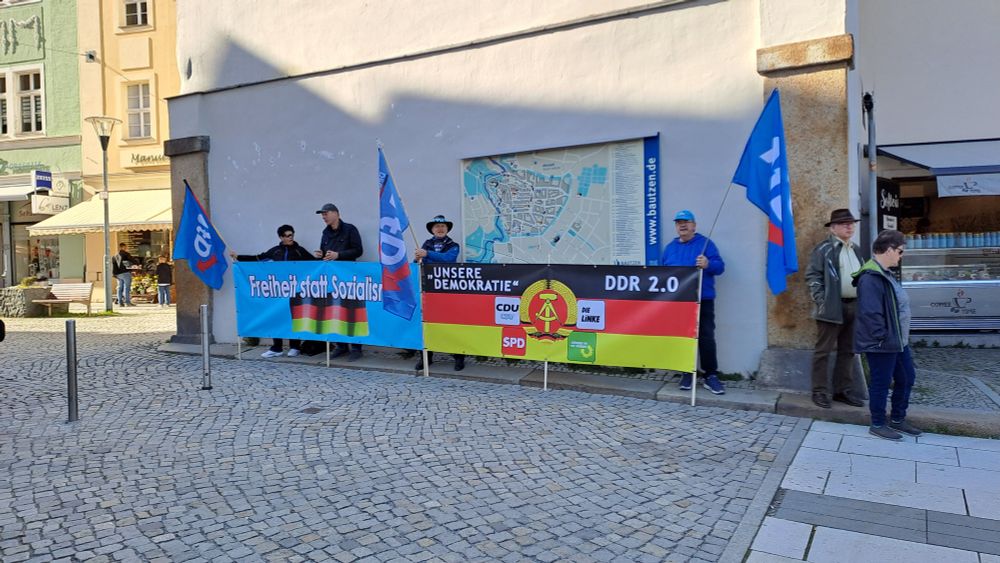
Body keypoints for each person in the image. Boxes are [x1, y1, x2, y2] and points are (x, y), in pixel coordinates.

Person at [853, 229, 919, 441]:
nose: (901, 255)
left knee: (907, 377)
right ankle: (878, 423)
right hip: (884, 342)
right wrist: (881, 339)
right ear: (889, 250)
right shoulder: (871, 277)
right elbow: (870, 313)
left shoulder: (885, 274)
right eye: (900, 251)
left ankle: (898, 419)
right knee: (881, 382)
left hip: (898, 340)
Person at [805, 209, 865, 409]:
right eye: (844, 223)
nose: (849, 226)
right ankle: (819, 391)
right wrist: (821, 301)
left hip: (854, 306)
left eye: (851, 223)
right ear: (832, 228)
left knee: (848, 351)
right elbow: (813, 276)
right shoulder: (823, 249)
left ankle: (842, 390)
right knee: (823, 351)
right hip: (831, 307)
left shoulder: (856, 249)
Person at [661, 210, 726, 394]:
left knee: (706, 338)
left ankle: (710, 375)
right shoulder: (669, 248)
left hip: (702, 299)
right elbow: (663, 274)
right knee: (683, 337)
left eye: (686, 222)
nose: (683, 225)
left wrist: (708, 264)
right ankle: (687, 372)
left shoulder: (706, 244)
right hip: (679, 302)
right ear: (676, 226)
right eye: (679, 222)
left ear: (694, 225)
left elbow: (720, 267)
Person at [230, 224, 316, 358]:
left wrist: (321, 257)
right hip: (278, 292)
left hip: (295, 291)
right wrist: (239, 257)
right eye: (287, 236)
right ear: (281, 237)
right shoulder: (275, 251)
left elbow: (314, 264)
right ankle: (277, 347)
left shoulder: (300, 251)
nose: (290, 238)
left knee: (293, 318)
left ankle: (295, 346)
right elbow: (258, 259)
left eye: (292, 235)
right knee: (277, 317)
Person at [314, 203, 365, 361]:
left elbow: (358, 251)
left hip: (348, 277)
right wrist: (321, 254)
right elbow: (325, 251)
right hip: (332, 278)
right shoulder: (325, 233)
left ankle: (356, 347)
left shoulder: (350, 229)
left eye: (326, 213)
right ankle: (341, 346)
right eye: (322, 215)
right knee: (335, 310)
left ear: (336, 213)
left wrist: (339, 255)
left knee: (352, 310)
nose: (323, 217)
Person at [414, 215, 465, 372]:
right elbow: (417, 263)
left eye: (443, 226)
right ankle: (426, 357)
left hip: (448, 291)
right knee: (426, 324)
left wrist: (427, 255)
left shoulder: (453, 245)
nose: (440, 229)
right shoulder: (426, 245)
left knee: (452, 325)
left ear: (447, 229)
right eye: (437, 226)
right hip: (429, 291)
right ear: (432, 230)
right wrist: (417, 260)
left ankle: (458, 357)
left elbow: (449, 259)